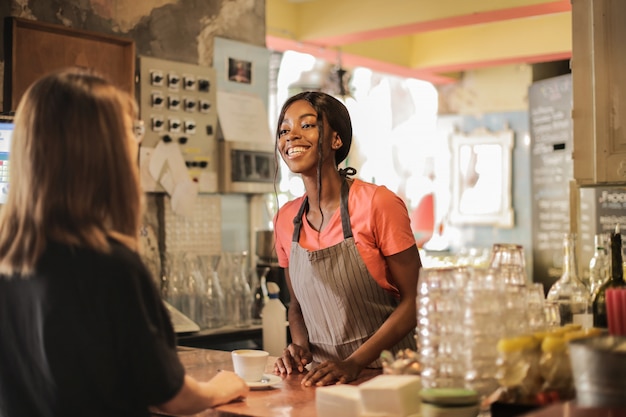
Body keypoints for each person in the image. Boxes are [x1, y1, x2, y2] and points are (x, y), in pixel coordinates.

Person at [0, 67, 248, 416]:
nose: (137, 144)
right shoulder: (110, 266)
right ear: (105, 156)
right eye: (130, 134)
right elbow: (173, 396)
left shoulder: (10, 258)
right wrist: (220, 388)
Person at [272, 91, 421, 386]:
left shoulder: (378, 203)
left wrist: (353, 363)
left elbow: (415, 300)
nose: (292, 136)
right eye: (284, 130)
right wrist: (299, 347)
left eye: (307, 125)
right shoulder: (286, 219)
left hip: (393, 377)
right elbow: (296, 306)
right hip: (325, 381)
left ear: (336, 140)